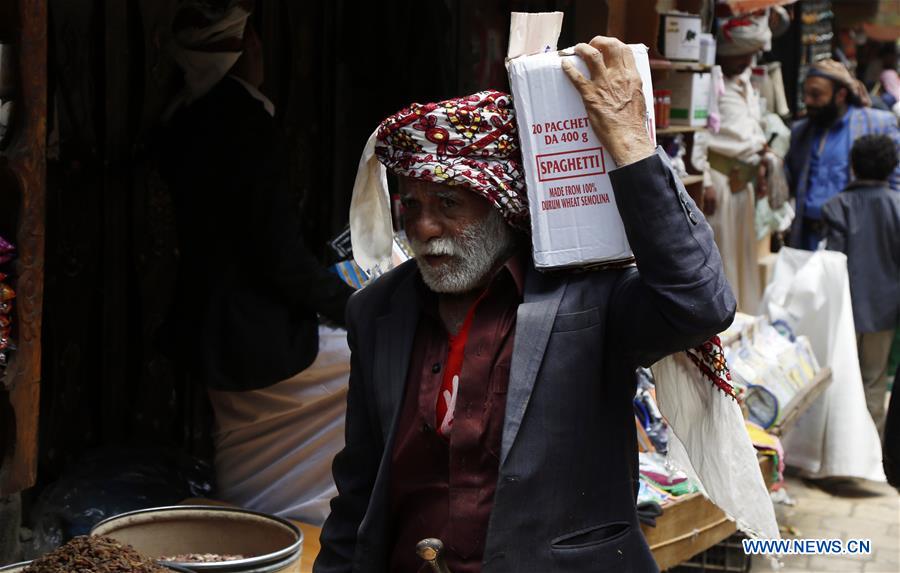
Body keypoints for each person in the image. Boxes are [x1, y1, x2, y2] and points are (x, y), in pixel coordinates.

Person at [314, 37, 736, 573]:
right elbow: (359, 490)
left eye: (448, 203)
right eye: (411, 205)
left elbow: (699, 304)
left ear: (504, 205)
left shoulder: (588, 299)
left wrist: (631, 145)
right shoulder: (377, 313)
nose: (423, 229)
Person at [160, 0, 355, 522]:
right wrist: (351, 304)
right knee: (372, 362)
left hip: (210, 327)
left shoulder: (183, 117)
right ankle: (304, 516)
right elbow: (278, 257)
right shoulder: (244, 123)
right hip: (252, 335)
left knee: (245, 436)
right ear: (248, 47)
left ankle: (248, 512)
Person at [822, 134, 900, 437]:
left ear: (852, 165)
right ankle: (870, 454)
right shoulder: (897, 206)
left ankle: (837, 451)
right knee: (874, 381)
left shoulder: (836, 207)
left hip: (845, 309)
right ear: (892, 167)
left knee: (840, 379)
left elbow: (831, 264)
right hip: (886, 309)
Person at [693, 11, 771, 313]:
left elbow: (751, 130)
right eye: (742, 56)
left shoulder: (745, 81)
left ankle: (743, 314)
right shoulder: (710, 82)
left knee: (743, 255)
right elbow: (701, 132)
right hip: (721, 183)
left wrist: (762, 167)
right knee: (723, 253)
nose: (747, 63)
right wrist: (707, 181)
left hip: (744, 182)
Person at [786, 58, 900, 251]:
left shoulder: (877, 125)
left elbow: (896, 183)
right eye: (805, 94)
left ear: (840, 95)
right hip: (809, 239)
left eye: (816, 95)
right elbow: (791, 179)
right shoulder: (801, 132)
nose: (807, 101)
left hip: (858, 239)